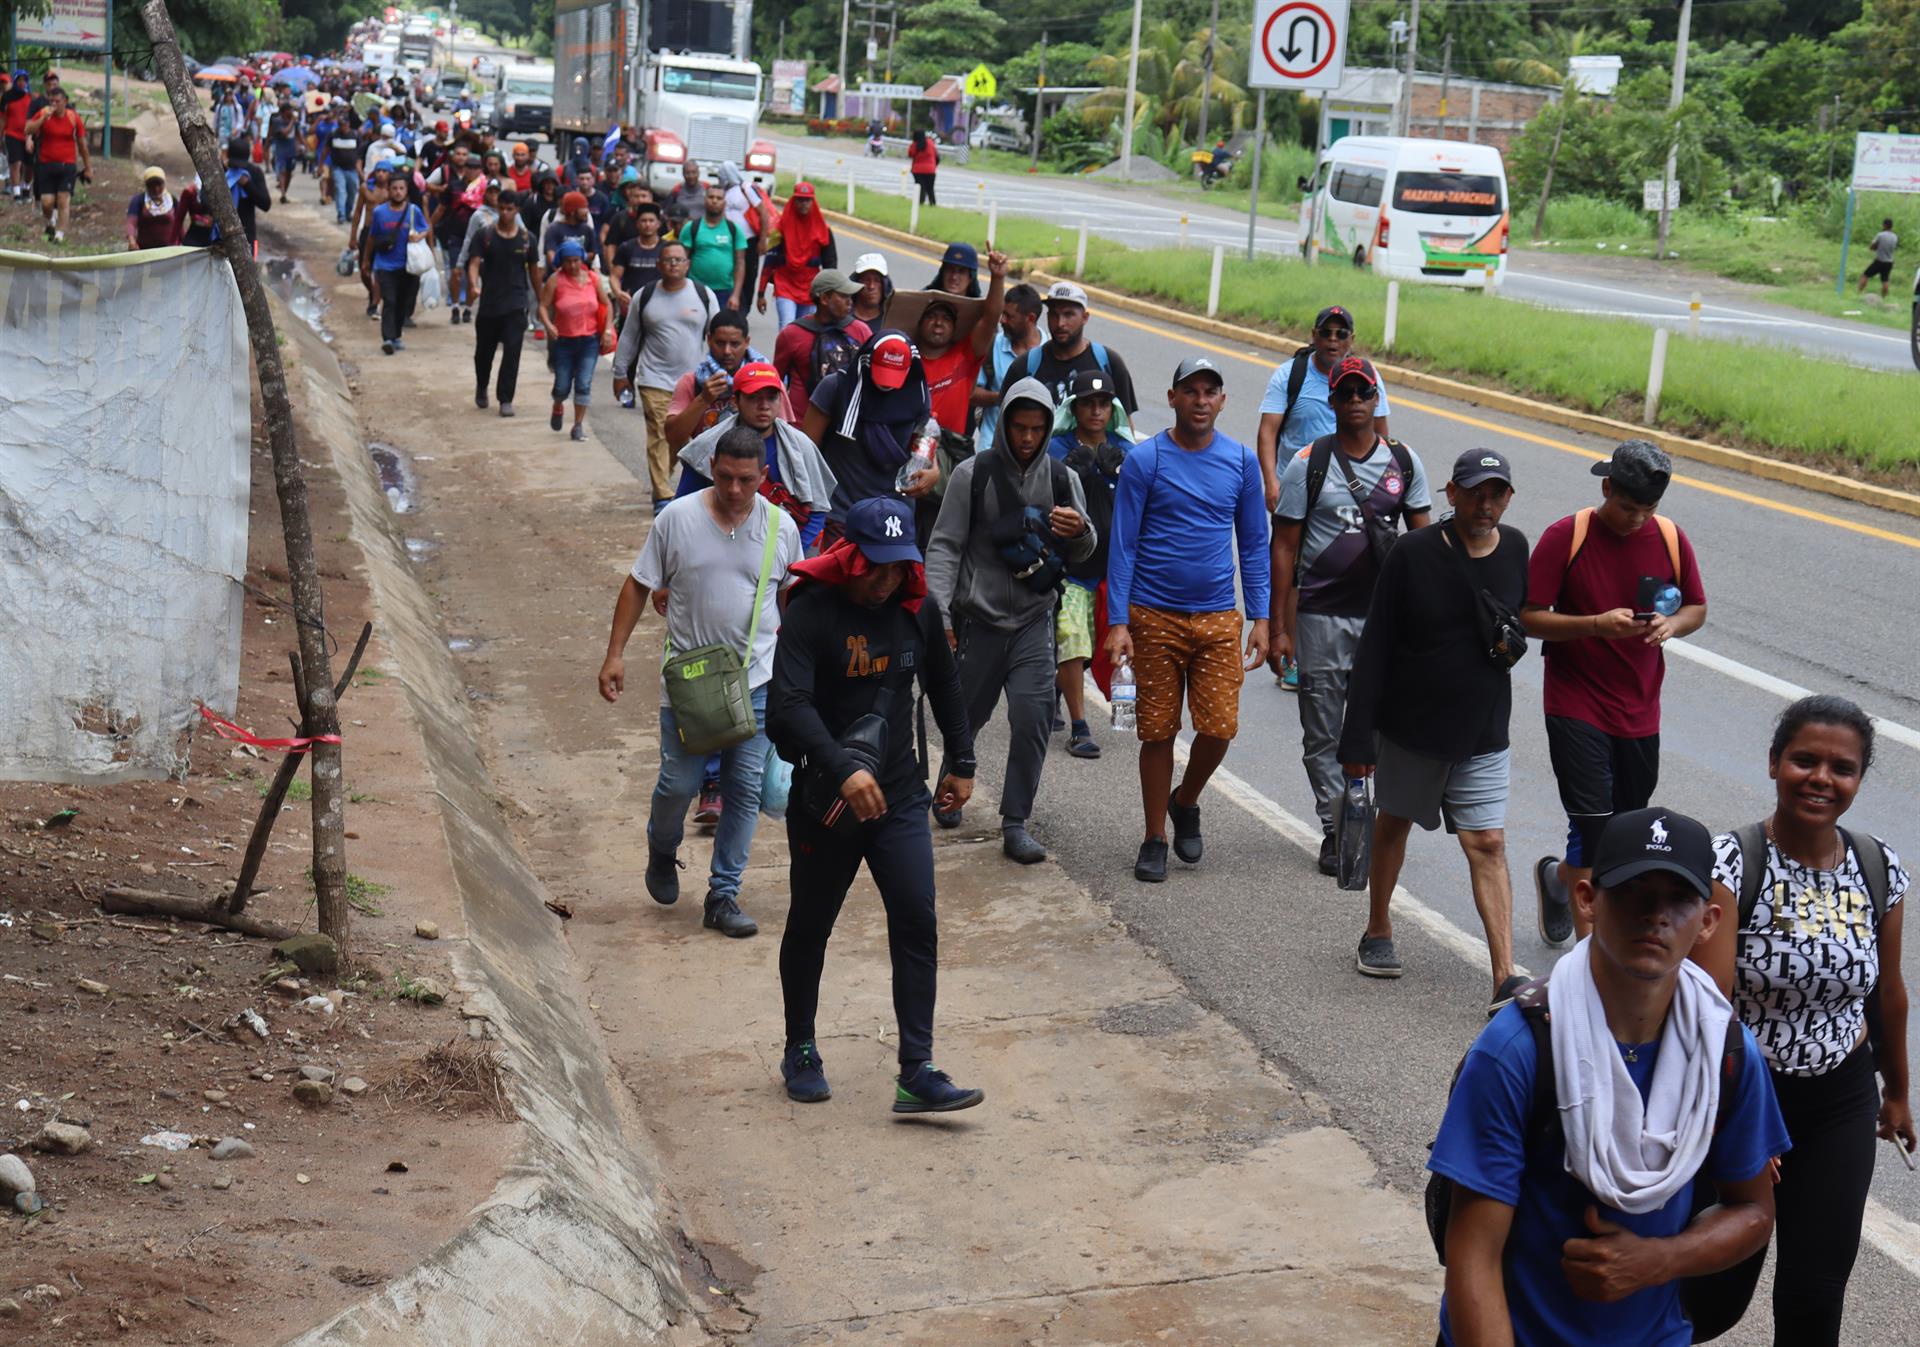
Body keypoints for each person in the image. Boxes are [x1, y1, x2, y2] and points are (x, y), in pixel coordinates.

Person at [1431, 807, 1787, 1347]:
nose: (1656, 916)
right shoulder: (1518, 1052)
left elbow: (1755, 1210)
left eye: (1679, 900)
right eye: (1633, 891)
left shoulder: (1725, 1051)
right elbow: (1473, 1254)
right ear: (1587, 900)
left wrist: (1660, 1261)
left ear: (1708, 921)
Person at [1691, 696, 1915, 1345]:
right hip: (1739, 1096)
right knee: (1712, 1294)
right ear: (1774, 763)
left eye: (1841, 767)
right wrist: (1742, 1124)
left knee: (1814, 1299)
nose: (1821, 777)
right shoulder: (1731, 864)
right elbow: (1709, 1005)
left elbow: (1890, 994)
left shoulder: (1879, 867)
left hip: (1838, 1103)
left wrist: (1896, 1094)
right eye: (1805, 760)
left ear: (1858, 779)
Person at [767, 496, 984, 1114]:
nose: (887, 579)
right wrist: (840, 770)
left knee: (917, 920)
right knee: (811, 925)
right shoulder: (812, 614)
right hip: (827, 805)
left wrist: (962, 761)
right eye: (877, 566)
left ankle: (917, 1069)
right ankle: (800, 1048)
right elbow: (787, 708)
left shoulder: (917, 610)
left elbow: (943, 683)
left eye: (898, 567)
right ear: (852, 556)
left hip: (901, 797)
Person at [598, 422, 802, 942]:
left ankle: (723, 894)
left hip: (755, 682)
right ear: (712, 469)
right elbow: (638, 584)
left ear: (764, 476)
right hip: (691, 685)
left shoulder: (782, 530)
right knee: (680, 785)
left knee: (744, 788)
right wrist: (615, 654)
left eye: (747, 481)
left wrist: (802, 678)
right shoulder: (676, 520)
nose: (735, 491)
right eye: (726, 477)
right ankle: (662, 851)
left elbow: (794, 607)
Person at [1338, 450, 1527, 1001]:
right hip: (1413, 728)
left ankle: (1504, 975)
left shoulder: (1516, 548)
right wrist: (1357, 735)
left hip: (1484, 729)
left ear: (1509, 498)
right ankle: (1377, 928)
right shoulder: (1413, 553)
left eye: (1496, 493)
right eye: (1473, 492)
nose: (1484, 503)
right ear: (1450, 493)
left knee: (1488, 842)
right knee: (1393, 823)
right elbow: (1375, 646)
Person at [1522, 440, 1706, 948]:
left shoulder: (1669, 538)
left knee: (1625, 829)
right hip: (1575, 700)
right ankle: (1589, 953)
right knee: (1593, 824)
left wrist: (1672, 625)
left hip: (1640, 708)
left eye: (1647, 509)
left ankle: (1561, 881)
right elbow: (1529, 615)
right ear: (1607, 489)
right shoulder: (1569, 536)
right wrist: (1596, 625)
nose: (1636, 519)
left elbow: (1697, 608)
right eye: (1628, 507)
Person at [1106, 357, 1270, 883]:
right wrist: (1118, 621)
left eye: (1211, 391)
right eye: (1191, 391)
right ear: (1172, 397)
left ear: (1222, 401)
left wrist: (1262, 616)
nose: (1201, 400)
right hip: (1153, 616)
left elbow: (1253, 544)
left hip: (1219, 617)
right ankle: (1154, 836)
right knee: (1156, 732)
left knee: (1220, 728)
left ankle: (1187, 799)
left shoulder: (1242, 463)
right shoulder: (1145, 460)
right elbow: (1124, 544)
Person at [1269, 357, 1431, 876]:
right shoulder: (1307, 463)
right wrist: (1279, 629)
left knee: (1382, 731)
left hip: (1385, 626)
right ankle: (1338, 829)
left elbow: (1427, 548)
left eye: (1366, 393)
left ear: (1375, 401)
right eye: (1347, 393)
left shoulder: (1404, 462)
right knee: (1322, 734)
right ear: (1333, 402)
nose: (1357, 401)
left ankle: (1372, 823)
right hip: (1319, 619)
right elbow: (1284, 548)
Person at [925, 378, 1095, 863]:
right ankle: (952, 779)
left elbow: (1088, 547)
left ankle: (1016, 821)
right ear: (1003, 425)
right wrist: (939, 612)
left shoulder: (1063, 479)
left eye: (1036, 429)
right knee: (966, 718)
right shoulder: (971, 475)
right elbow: (945, 545)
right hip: (978, 621)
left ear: (1047, 429)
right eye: (1018, 427)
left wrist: (1079, 530)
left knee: (1032, 717)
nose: (1026, 438)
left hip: (1034, 621)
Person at [1047, 368, 1131, 759]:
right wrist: (1072, 474)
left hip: (1116, 573)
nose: (1095, 411)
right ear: (1074, 407)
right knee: (1073, 638)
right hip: (1072, 571)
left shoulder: (1127, 452)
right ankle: (1080, 727)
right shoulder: (1056, 450)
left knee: (1115, 649)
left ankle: (1123, 714)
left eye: (1103, 403)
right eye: (1087, 403)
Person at [610, 238, 720, 505]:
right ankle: (662, 496)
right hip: (654, 379)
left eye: (678, 260)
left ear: (688, 264)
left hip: (693, 383)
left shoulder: (703, 295)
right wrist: (620, 373)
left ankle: (664, 478)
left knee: (680, 439)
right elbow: (629, 336)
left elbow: (719, 336)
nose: (673, 265)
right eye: (668, 260)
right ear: (658, 265)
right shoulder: (645, 296)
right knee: (659, 435)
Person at [800, 330, 940, 537]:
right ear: (866, 361)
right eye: (881, 372)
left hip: (894, 520)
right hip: (839, 515)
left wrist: (933, 473)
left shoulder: (917, 396)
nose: (885, 383)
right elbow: (804, 451)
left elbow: (924, 444)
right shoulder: (836, 388)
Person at [1255, 304, 1392, 512]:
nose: (1333, 339)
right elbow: (1267, 431)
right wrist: (1271, 482)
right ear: (1314, 335)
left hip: (1348, 491)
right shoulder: (1288, 375)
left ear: (1352, 339)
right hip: (1296, 488)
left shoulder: (1369, 378)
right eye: (1326, 333)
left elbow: (1380, 433)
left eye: (1341, 334)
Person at [904, 250, 1007, 434]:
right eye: (932, 316)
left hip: (950, 454)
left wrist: (998, 277)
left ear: (955, 329)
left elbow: (990, 318)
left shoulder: (965, 356)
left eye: (946, 319)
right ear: (919, 323)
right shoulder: (905, 361)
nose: (938, 323)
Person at [1004, 281, 1139, 415]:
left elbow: (1125, 424)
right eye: (1054, 314)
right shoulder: (1025, 366)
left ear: (1085, 317)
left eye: (1068, 314)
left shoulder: (1109, 363)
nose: (1060, 323)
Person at [466, 187, 542, 418]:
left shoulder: (528, 239)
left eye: (510, 209)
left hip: (516, 304)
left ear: (517, 210)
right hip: (489, 304)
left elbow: (535, 272)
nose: (506, 213)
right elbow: (474, 263)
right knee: (483, 354)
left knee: (512, 352)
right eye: (502, 209)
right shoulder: (485, 235)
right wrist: (473, 284)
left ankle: (505, 399)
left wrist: (541, 301)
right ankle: (482, 386)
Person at [662, 308, 780, 454]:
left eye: (735, 344)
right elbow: (673, 437)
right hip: (705, 470)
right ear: (709, 339)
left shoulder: (766, 380)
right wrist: (703, 399)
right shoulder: (692, 382)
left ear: (747, 342)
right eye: (720, 343)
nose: (727, 351)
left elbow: (783, 433)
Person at [538, 237, 615, 441]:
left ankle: (578, 425)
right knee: (562, 386)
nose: (572, 265)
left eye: (576, 260)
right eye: (568, 261)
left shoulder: (593, 279)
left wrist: (607, 330)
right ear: (561, 262)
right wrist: (549, 325)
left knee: (583, 383)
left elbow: (607, 305)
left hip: (589, 341)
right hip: (563, 341)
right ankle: (558, 404)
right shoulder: (556, 280)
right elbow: (542, 306)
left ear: (582, 259)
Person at [771, 269, 869, 412]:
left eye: (850, 296)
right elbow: (776, 382)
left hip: (847, 423)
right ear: (824, 299)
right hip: (801, 428)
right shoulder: (791, 335)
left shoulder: (861, 331)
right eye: (843, 296)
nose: (850, 302)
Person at [972, 281, 1044, 454]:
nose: (1002, 320)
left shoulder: (1051, 351)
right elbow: (971, 394)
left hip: (1039, 452)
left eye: (1009, 316)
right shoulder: (992, 345)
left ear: (1031, 318)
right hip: (991, 448)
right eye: (1002, 314)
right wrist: (1004, 397)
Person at [756, 181, 837, 329]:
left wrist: (829, 295)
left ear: (813, 201)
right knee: (787, 328)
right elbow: (769, 263)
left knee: (807, 332)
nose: (804, 204)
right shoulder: (779, 229)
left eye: (807, 200)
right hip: (785, 285)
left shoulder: (823, 230)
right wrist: (760, 293)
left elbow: (830, 265)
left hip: (811, 289)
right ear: (794, 200)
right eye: (800, 200)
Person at [366, 168, 428, 355]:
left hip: (408, 266)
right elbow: (371, 237)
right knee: (390, 301)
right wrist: (366, 261)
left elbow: (425, 228)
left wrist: (419, 236)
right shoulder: (379, 213)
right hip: (385, 265)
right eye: (394, 188)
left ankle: (397, 335)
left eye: (401, 188)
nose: (398, 192)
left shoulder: (413, 211)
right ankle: (387, 338)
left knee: (403, 302)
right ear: (388, 190)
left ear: (407, 190)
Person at [24, 85, 88, 244]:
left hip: (67, 165)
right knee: (46, 203)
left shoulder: (73, 117)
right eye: (51, 101)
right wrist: (41, 119)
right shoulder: (44, 113)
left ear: (65, 102)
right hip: (45, 164)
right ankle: (51, 220)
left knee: (63, 200)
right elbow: (27, 130)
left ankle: (59, 235)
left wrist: (88, 166)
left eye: (57, 101)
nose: (54, 104)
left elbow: (82, 143)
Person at [681, 181, 748, 308]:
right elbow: (682, 259)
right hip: (695, 289)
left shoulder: (734, 230)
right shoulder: (691, 228)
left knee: (718, 327)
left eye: (719, 198)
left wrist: (735, 295)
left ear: (725, 202)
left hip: (724, 292)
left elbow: (740, 263)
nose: (714, 201)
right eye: (711, 197)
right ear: (704, 200)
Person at [609, 199, 666, 322]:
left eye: (651, 221)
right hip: (631, 307)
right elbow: (614, 276)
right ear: (637, 224)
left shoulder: (666, 249)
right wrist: (618, 293)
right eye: (643, 221)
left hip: (661, 307)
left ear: (658, 224)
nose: (647, 224)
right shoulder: (626, 247)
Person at [541, 189, 598, 273]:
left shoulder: (587, 229)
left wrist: (578, 256)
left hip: (582, 278)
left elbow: (592, 253)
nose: (587, 211)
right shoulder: (554, 229)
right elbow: (551, 255)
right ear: (572, 211)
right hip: (559, 278)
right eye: (583, 208)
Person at [126, 167, 181, 251]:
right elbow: (131, 223)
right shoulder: (138, 200)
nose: (156, 189)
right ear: (146, 185)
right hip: (145, 250)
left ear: (164, 184)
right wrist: (132, 241)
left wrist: (185, 243)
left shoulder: (172, 200)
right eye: (151, 185)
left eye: (159, 184)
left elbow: (179, 224)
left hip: (170, 250)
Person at [325, 106, 362, 225]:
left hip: (352, 169)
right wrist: (321, 165)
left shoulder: (355, 136)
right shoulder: (333, 135)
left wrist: (359, 169)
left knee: (352, 191)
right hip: (338, 168)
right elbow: (326, 150)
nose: (343, 127)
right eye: (340, 124)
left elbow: (359, 154)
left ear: (348, 124)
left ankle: (347, 212)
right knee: (340, 190)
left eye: (344, 124)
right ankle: (340, 214)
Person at [4, 70, 32, 204]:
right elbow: (2, 118)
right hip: (11, 134)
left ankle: (26, 188)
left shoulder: (31, 97)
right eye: (19, 80)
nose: (21, 82)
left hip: (28, 136)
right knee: (16, 163)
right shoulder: (7, 97)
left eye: (24, 80)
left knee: (29, 166)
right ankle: (16, 193)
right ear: (15, 81)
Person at [268, 96, 300, 202]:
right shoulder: (277, 121)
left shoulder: (294, 121)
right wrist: (292, 121)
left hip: (291, 150)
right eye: (289, 110)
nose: (291, 112)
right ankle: (282, 193)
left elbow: (298, 134)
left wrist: (302, 146)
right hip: (281, 149)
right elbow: (284, 132)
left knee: (289, 173)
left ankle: (284, 192)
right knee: (282, 171)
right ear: (284, 111)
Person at [849, 251, 893, 328]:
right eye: (866, 280)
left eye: (877, 281)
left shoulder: (891, 323)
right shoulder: (842, 318)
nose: (871, 286)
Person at [1861, 217, 1898, 298]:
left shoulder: (1880, 235)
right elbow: (1894, 248)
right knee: (1885, 280)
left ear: (1884, 225)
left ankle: (1859, 292)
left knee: (1865, 275)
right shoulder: (1895, 236)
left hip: (1879, 260)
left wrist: (1875, 247)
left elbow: (1872, 246)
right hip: (1889, 262)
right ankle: (1883, 297)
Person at [665, 158, 706, 231]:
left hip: (703, 229)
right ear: (683, 174)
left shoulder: (707, 188)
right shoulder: (677, 190)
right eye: (687, 173)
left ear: (699, 173)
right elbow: (667, 212)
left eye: (694, 172)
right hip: (682, 230)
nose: (691, 176)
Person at [909, 129, 939, 205]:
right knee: (930, 188)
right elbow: (937, 156)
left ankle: (920, 203)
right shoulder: (930, 143)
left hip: (917, 170)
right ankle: (932, 203)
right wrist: (934, 166)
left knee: (920, 188)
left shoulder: (914, 144)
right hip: (930, 170)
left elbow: (910, 154)